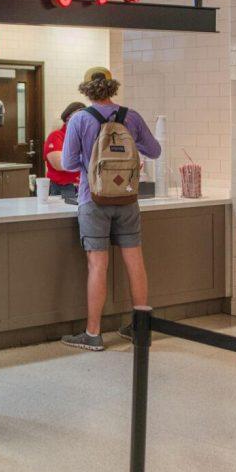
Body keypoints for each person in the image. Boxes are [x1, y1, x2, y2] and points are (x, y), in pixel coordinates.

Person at [59, 67, 161, 351]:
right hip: (127, 198)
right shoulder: (131, 116)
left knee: (97, 265)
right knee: (135, 261)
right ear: (112, 87)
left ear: (87, 90)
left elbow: (67, 163)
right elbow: (155, 151)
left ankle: (93, 333)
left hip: (93, 200)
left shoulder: (79, 119)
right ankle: (140, 330)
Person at [44, 101, 86, 202]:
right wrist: (85, 161)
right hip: (63, 188)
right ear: (68, 119)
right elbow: (60, 164)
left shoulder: (84, 137)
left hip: (83, 187)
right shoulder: (56, 136)